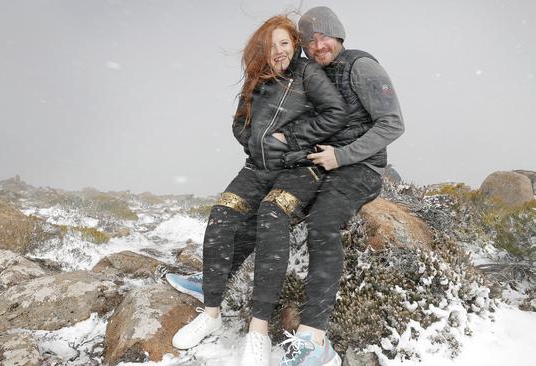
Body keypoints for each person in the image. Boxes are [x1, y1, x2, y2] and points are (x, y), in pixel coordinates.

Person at [168, 6, 405, 366]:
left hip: (356, 166)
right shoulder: (304, 71)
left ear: (339, 34)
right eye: (310, 39)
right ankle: (216, 281)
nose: (318, 44)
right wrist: (266, 145)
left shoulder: (360, 67)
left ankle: (314, 338)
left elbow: (392, 123)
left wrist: (339, 156)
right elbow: (255, 118)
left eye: (324, 36)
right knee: (251, 215)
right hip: (314, 162)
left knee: (319, 223)